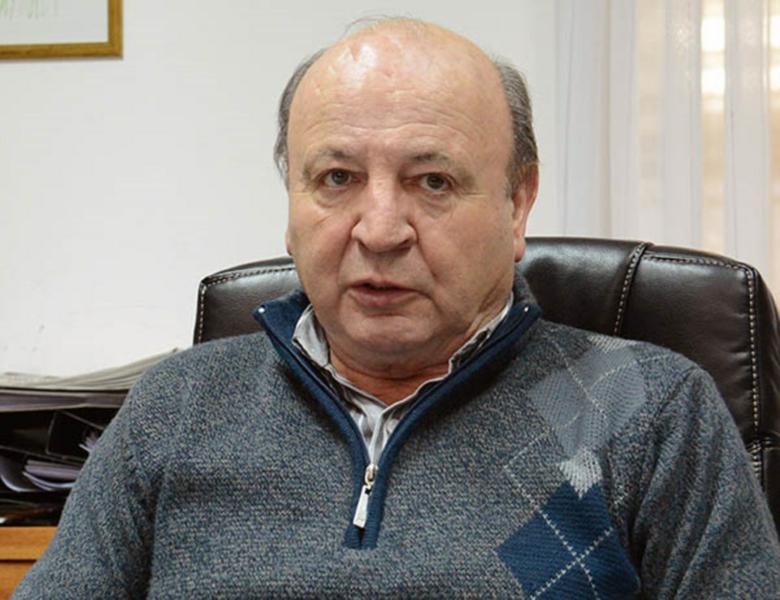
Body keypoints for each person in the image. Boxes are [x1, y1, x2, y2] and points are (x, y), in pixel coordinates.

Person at [15, 18, 780, 599]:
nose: (379, 230)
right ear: (291, 202)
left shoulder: (649, 411)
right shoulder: (177, 407)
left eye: (433, 181)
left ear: (517, 204)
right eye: (337, 178)